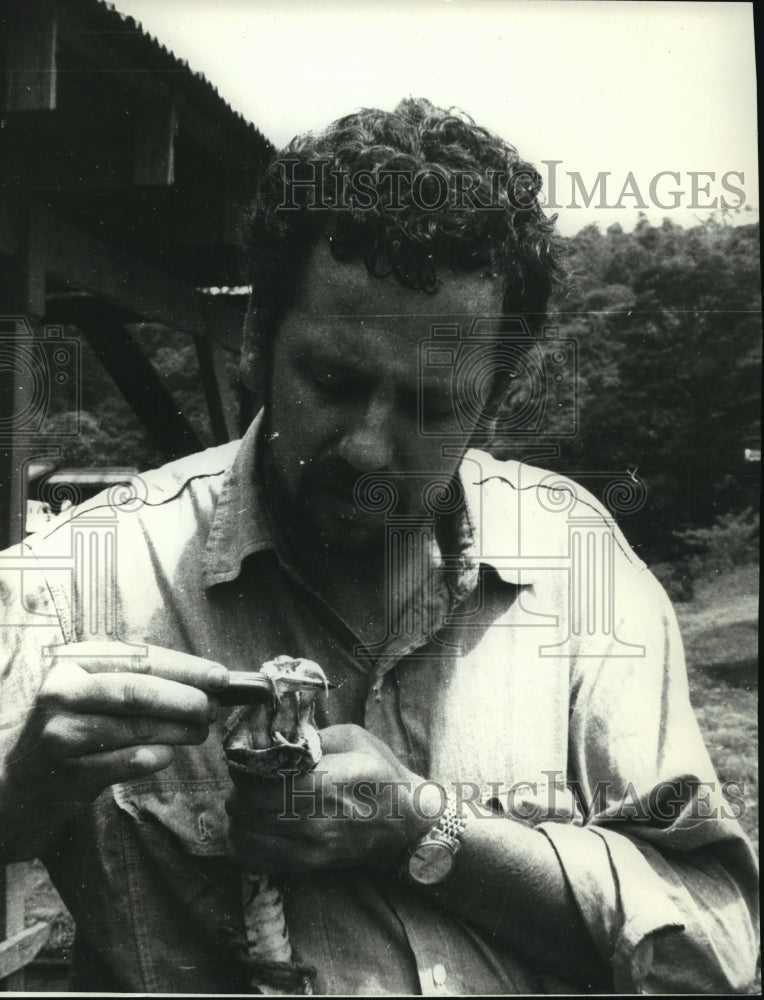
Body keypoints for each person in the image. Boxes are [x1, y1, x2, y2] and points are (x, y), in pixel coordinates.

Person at [0, 98, 757, 994]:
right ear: (254, 342)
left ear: (496, 400)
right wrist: (20, 795)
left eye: (434, 408)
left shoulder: (576, 563)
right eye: (331, 379)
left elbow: (715, 945)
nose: (367, 448)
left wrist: (429, 832)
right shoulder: (73, 580)